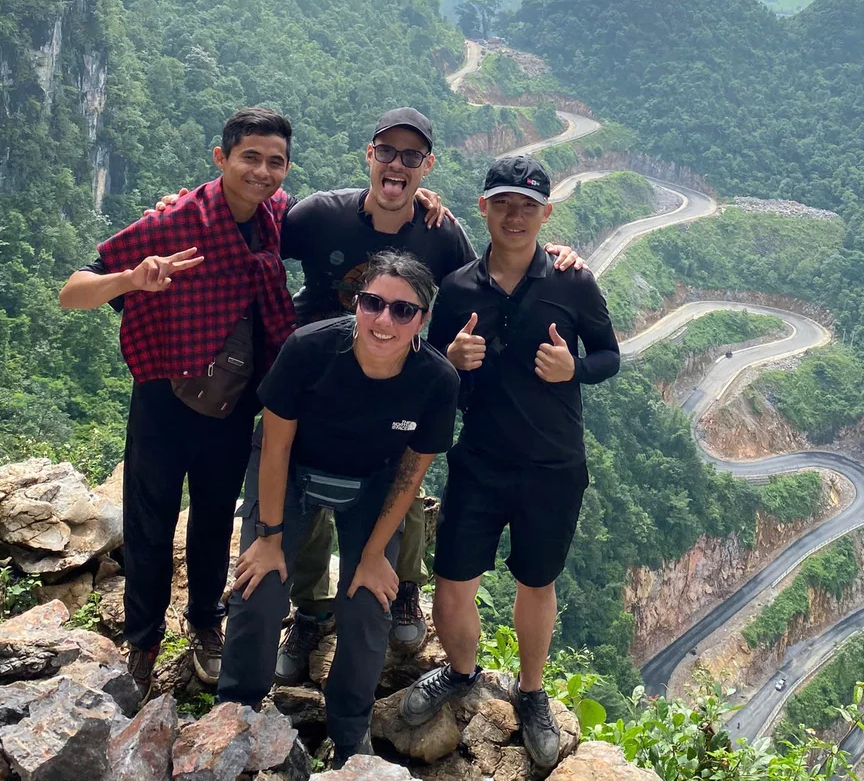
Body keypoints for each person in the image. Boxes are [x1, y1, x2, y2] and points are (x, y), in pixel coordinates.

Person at [158, 106, 584, 673]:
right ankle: (310, 616)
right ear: (369, 155)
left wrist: (553, 258)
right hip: (312, 387)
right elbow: (247, 226)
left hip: (395, 395)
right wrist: (181, 212)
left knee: (398, 491)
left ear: (427, 166)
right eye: (387, 151)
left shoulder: (439, 231)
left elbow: (485, 274)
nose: (397, 164)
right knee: (304, 509)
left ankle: (402, 586)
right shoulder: (319, 216)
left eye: (412, 156)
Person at [58, 108, 297, 701]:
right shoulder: (175, 221)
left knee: (216, 518)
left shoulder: (276, 217)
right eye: (250, 157)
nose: (261, 172)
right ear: (221, 159)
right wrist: (130, 281)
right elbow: (72, 291)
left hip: (234, 398)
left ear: (286, 169)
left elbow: (356, 217)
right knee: (149, 520)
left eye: (275, 161)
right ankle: (142, 641)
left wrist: (424, 201)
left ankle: (203, 625)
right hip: (164, 395)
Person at [399, 154, 621, 768]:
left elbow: (608, 355)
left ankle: (531, 693)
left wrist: (575, 368)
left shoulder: (572, 282)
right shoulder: (459, 290)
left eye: (528, 206)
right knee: (452, 583)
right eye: (503, 203)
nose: (515, 215)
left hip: (554, 465)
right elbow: (438, 381)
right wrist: (451, 358)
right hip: (480, 461)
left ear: (546, 214)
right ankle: (461, 674)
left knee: (536, 581)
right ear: (484, 210)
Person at [217, 251, 460, 769]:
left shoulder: (435, 380)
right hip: (293, 467)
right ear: (356, 303)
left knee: (368, 605)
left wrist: (375, 554)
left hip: (374, 481)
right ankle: (234, 712)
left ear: (424, 319)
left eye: (403, 310)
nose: (384, 320)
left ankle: (350, 739)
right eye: (373, 303)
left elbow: (411, 473)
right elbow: (277, 446)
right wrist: (268, 536)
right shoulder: (310, 349)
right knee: (257, 589)